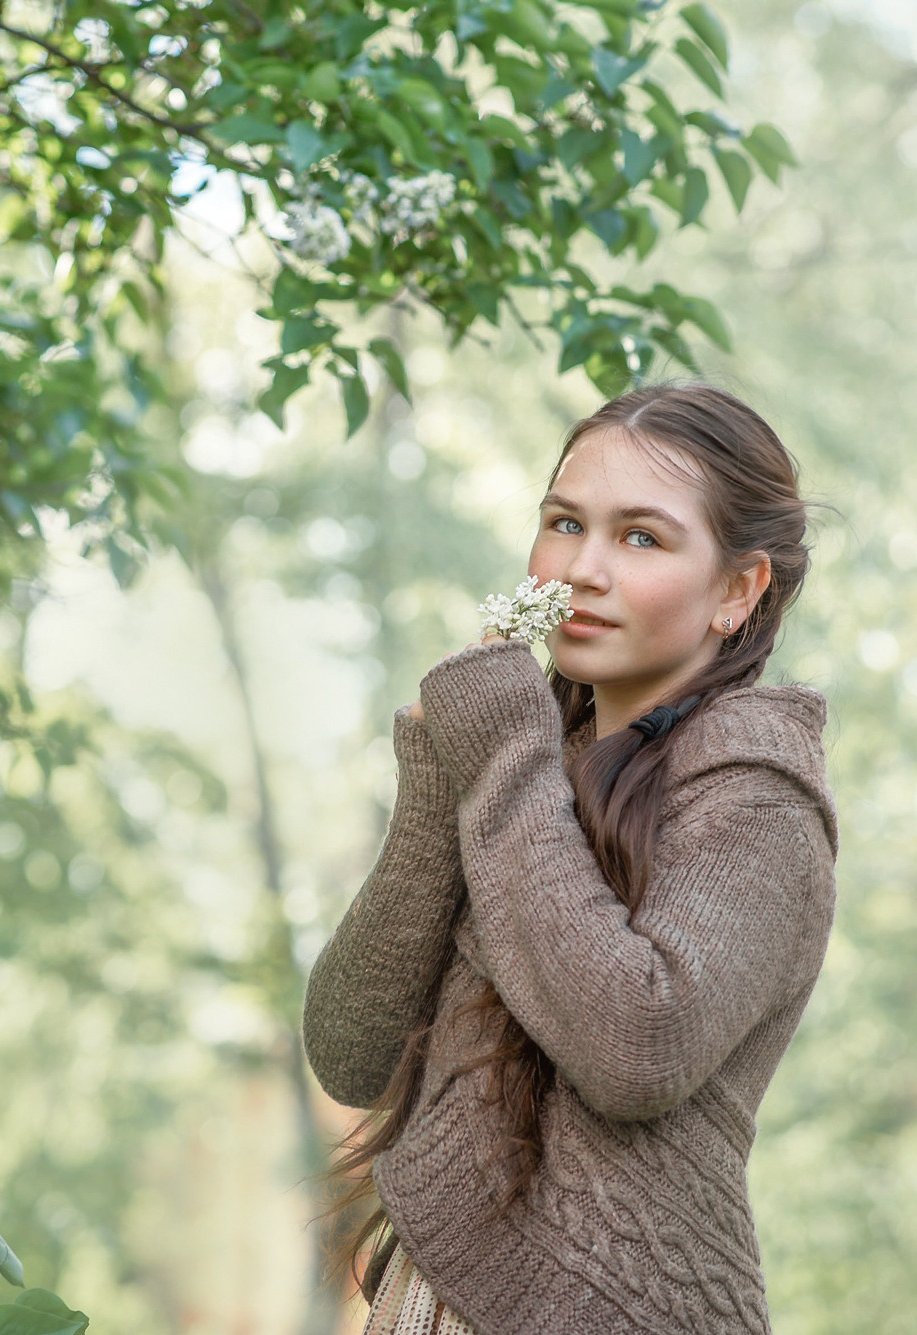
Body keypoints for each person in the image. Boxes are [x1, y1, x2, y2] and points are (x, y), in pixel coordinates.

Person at [302, 381, 840, 1335]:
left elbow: (637, 1047)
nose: (581, 568)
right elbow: (353, 1050)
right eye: (563, 522)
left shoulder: (762, 806)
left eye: (642, 537)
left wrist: (503, 753)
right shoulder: (525, 771)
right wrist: (440, 774)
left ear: (737, 590)